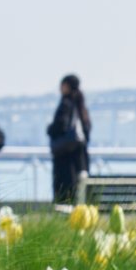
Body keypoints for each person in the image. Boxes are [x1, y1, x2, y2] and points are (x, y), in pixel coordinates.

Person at [46, 74, 92, 204]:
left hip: (65, 161)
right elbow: (87, 132)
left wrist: (49, 129)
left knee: (64, 197)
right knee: (80, 196)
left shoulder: (65, 104)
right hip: (80, 159)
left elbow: (59, 126)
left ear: (66, 86)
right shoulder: (81, 107)